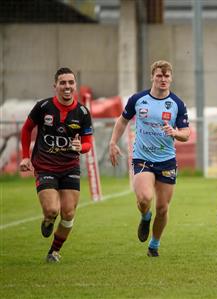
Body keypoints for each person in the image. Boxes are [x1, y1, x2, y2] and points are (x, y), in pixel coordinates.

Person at [109, 60, 190, 257]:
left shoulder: (177, 104)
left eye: (167, 76)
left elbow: (186, 133)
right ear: (152, 76)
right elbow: (122, 120)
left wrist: (175, 132)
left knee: (162, 208)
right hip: (142, 158)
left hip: (166, 160)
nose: (163, 79)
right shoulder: (138, 99)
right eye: (159, 75)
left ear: (171, 78)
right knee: (145, 198)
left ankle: (154, 244)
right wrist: (113, 142)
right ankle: (145, 216)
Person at [19, 67, 93, 263]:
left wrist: (81, 147)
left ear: (75, 85)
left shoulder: (83, 112)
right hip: (45, 167)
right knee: (52, 210)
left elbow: (88, 143)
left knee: (68, 214)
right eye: (63, 83)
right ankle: (48, 219)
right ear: (55, 86)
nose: (67, 86)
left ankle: (54, 251)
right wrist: (25, 157)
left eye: (70, 82)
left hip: (70, 168)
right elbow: (27, 130)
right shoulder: (42, 107)